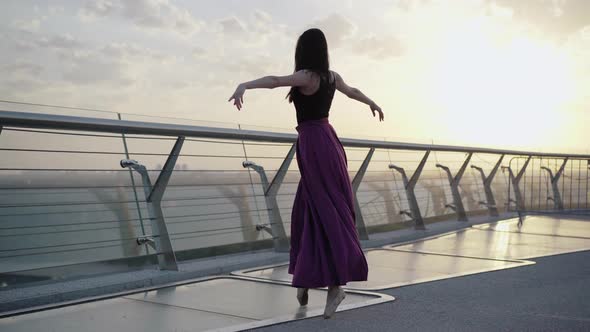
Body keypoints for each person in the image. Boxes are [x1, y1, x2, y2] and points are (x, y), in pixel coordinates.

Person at [228, 28, 384, 319]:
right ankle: (307, 276)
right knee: (310, 209)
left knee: (325, 210)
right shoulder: (331, 77)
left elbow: (275, 81)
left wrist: (243, 84)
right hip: (329, 142)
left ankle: (336, 284)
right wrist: (371, 102)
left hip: (314, 144)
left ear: (303, 51)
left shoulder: (306, 76)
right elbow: (353, 92)